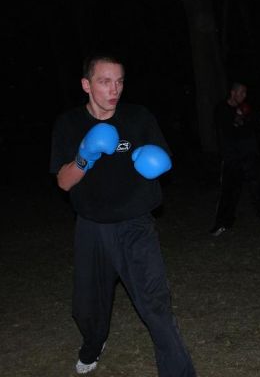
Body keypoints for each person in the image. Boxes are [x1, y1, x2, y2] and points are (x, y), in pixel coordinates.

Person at [49, 53, 196, 376]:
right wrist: (85, 156)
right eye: (104, 82)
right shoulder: (69, 123)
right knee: (86, 309)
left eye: (119, 82)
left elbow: (164, 160)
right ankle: (94, 343)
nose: (113, 90)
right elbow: (63, 182)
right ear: (86, 85)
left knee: (156, 306)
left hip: (135, 224)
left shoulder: (138, 117)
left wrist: (158, 163)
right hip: (91, 227)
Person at [210, 82, 260, 238]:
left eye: (245, 93)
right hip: (232, 159)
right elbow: (227, 129)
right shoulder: (222, 109)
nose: (244, 96)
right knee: (228, 193)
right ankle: (222, 224)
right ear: (233, 93)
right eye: (242, 92)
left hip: (250, 157)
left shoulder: (247, 108)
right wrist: (238, 116)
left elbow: (257, 125)